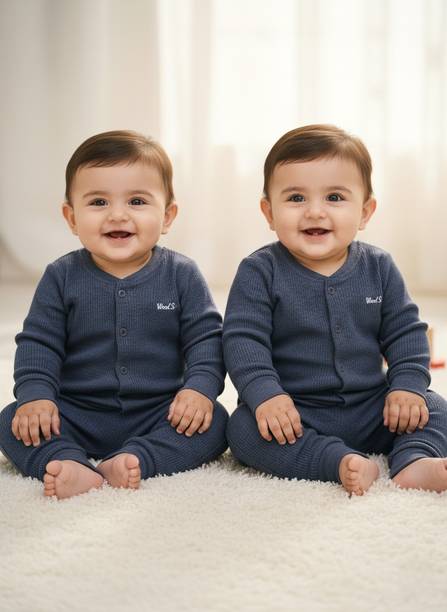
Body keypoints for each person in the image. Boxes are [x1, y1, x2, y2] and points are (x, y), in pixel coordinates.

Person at [0, 130, 228, 499]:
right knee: (13, 420)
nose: (117, 215)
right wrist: (37, 396)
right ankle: (66, 460)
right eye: (98, 202)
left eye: (137, 201)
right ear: (71, 218)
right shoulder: (61, 276)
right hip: (75, 412)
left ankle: (137, 458)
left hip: (159, 412)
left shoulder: (181, 274)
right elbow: (39, 343)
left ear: (167, 216)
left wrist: (198, 390)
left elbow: (206, 340)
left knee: (215, 422)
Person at [223, 124, 447, 496]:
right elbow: (243, 341)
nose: (315, 212)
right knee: (242, 431)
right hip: (294, 412)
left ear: (365, 211)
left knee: (433, 407)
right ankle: (336, 461)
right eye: (296, 198)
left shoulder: (379, 267)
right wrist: (266, 395)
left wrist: (406, 387)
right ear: (269, 211)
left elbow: (405, 332)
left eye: (335, 197)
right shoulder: (259, 271)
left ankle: (414, 460)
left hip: (373, 408)